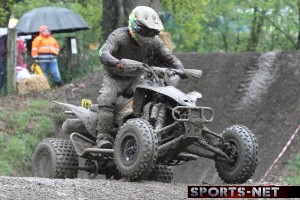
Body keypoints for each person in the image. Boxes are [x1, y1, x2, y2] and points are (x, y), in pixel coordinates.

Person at [96, 6, 186, 148]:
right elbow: (103, 52)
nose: (148, 35)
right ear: (135, 25)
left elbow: (169, 57)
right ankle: (103, 138)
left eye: (152, 31)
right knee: (106, 98)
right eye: (145, 30)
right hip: (115, 77)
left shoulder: (155, 41)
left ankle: (152, 131)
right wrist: (116, 63)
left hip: (137, 77)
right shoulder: (119, 36)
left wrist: (180, 68)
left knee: (157, 94)